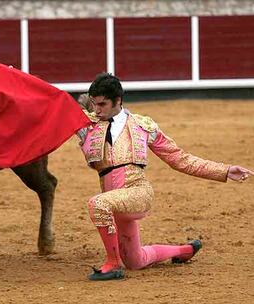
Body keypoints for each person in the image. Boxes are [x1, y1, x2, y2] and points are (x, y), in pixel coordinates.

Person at [77, 73, 253, 281]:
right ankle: (184, 250)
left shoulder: (143, 126)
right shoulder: (87, 126)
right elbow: (52, 119)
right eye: (95, 104)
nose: (97, 110)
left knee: (97, 204)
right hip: (114, 201)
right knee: (136, 260)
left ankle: (113, 264)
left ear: (118, 101)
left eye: (103, 104)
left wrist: (224, 170)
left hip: (137, 193)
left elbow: (180, 159)